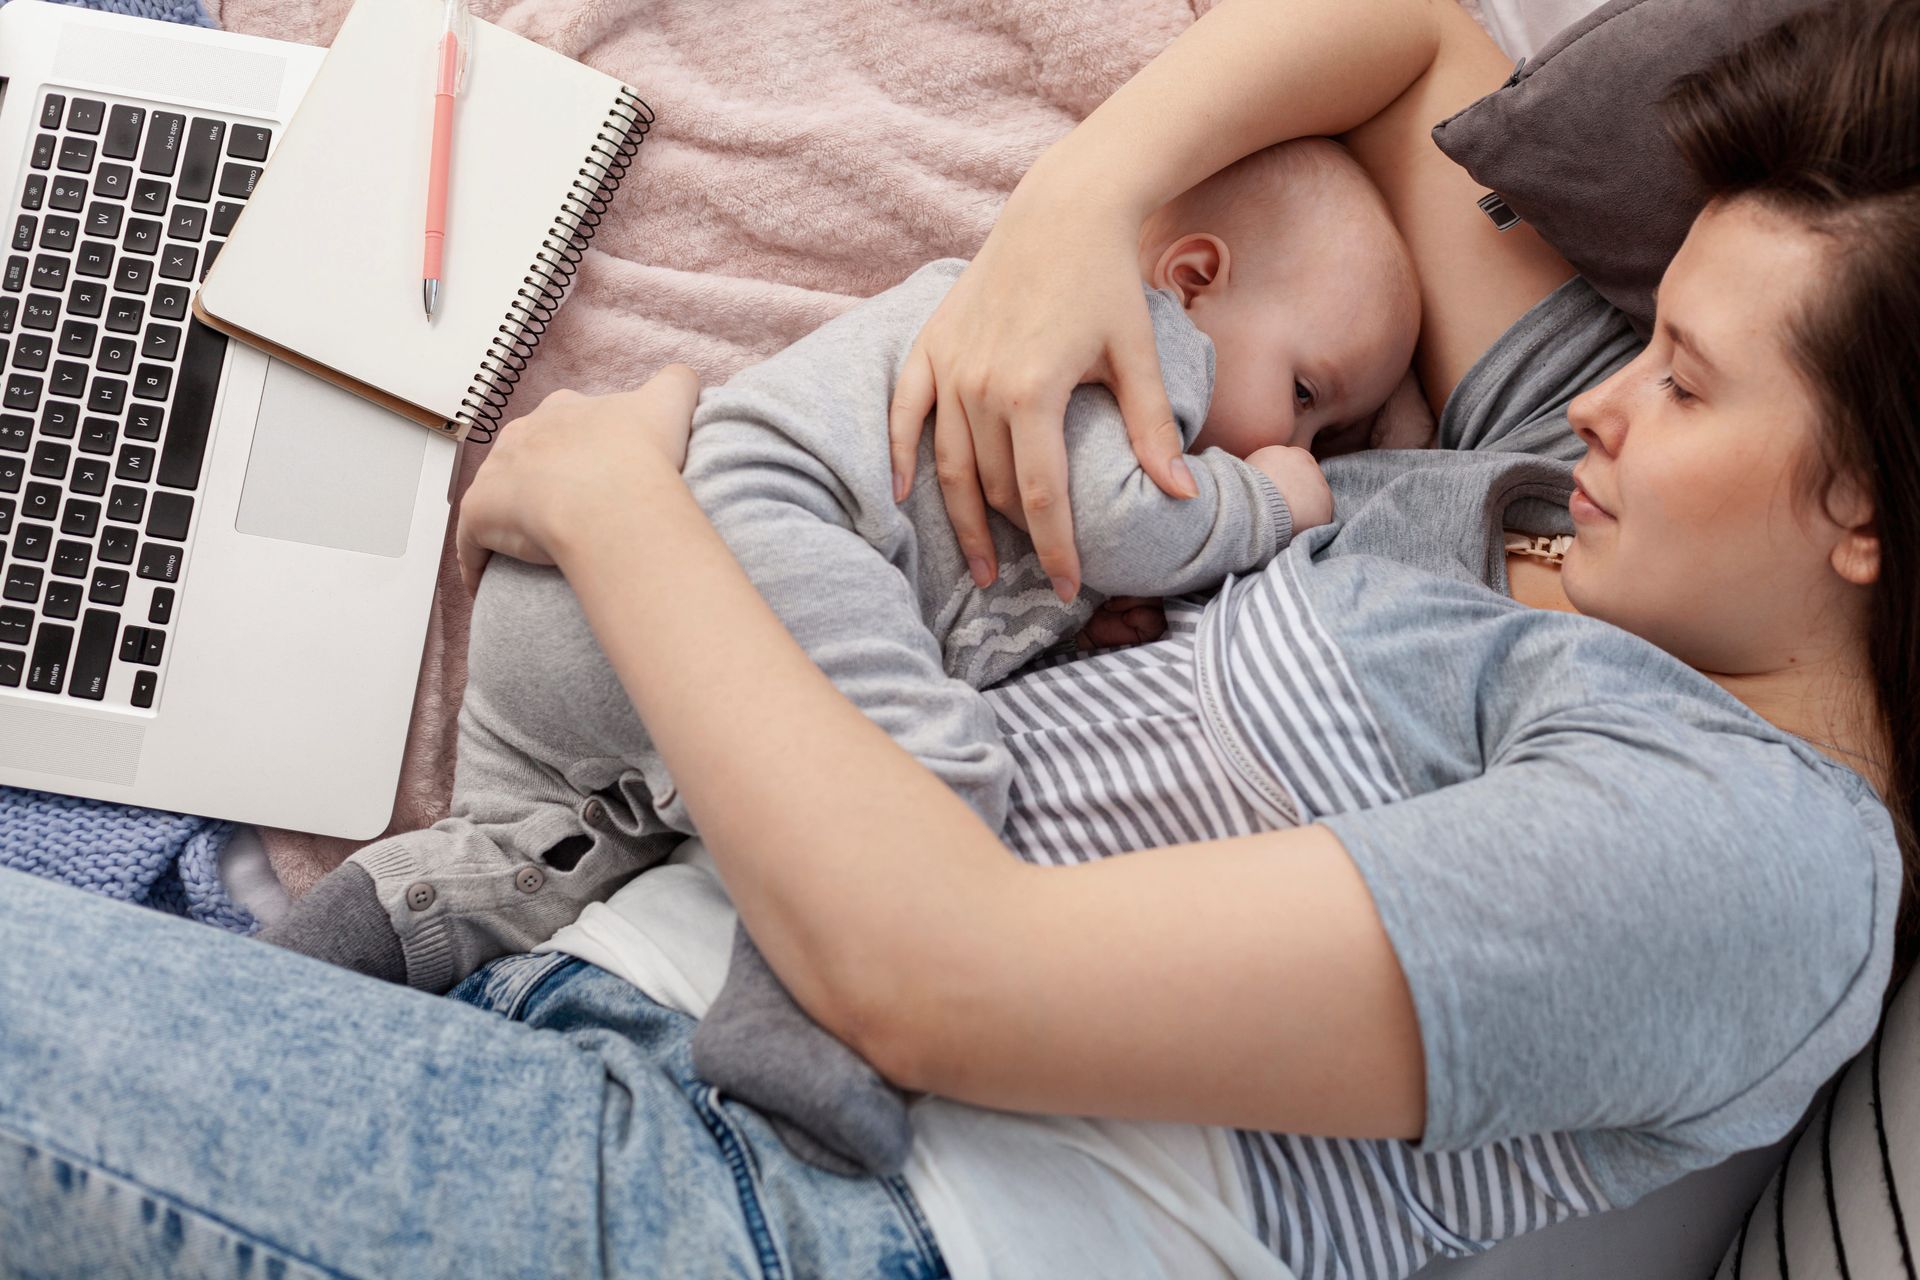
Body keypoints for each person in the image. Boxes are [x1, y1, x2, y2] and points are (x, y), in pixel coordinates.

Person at [0, 2, 1912, 1278]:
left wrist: (628, 505)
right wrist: (1076, 217)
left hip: (771, 1207)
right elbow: (1408, 23)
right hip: (585, 979)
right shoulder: (1566, 506)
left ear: (1871, 520)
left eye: (1684, 374)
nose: (1600, 397)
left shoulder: (1750, 858)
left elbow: (941, 981)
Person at [254, 137, 1419, 1177]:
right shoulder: (1109, 335)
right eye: (1309, 394)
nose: (1296, 437)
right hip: (758, 518)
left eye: (1330, 435)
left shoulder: (1103, 362)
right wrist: (1273, 498)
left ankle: (301, 961)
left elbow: (1031, 568)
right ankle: (806, 1044)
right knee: (917, 776)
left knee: (518, 856)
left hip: (567, 621)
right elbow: (1123, 516)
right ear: (1193, 276)